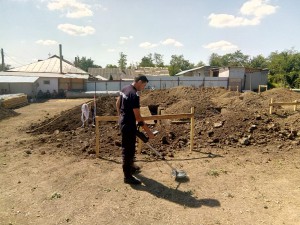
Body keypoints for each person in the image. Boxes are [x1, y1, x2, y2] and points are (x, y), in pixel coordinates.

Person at [116, 75, 155, 185]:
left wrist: (120, 116)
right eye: (143, 85)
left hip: (124, 122)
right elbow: (138, 117)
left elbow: (117, 104)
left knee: (131, 148)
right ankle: (127, 177)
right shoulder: (134, 95)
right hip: (128, 125)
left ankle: (131, 167)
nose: (143, 87)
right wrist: (148, 131)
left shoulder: (124, 88)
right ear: (138, 82)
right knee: (128, 150)